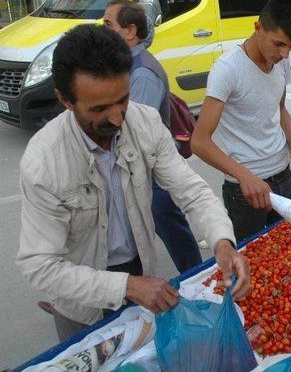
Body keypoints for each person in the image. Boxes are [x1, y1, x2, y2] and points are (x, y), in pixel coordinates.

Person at [16, 24, 251, 342]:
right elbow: (41, 265)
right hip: (80, 302)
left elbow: (190, 190)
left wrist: (223, 242)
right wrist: (126, 286)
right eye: (99, 109)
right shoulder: (44, 162)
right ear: (65, 100)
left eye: (122, 100)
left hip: (139, 268)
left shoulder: (145, 123)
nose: (116, 118)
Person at [191, 0, 291, 242]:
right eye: (278, 44)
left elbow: (279, 108)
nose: (285, 54)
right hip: (244, 191)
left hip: (282, 178)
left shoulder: (280, 62)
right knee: (253, 264)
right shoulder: (228, 70)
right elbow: (200, 142)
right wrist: (244, 176)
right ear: (258, 27)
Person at [102, 0, 202, 273]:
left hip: (151, 169)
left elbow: (136, 131)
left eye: (108, 24)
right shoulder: (126, 66)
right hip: (141, 169)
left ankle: (198, 279)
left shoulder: (142, 73)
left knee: (169, 225)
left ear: (130, 31)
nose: (102, 29)